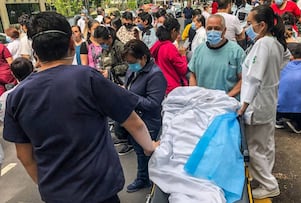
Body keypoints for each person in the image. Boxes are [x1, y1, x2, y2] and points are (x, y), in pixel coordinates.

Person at [3, 11, 156, 203]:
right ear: (70, 43)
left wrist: (49, 186)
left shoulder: (16, 96)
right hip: (100, 191)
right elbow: (134, 123)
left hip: (57, 195)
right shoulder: (89, 78)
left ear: (35, 51)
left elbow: (24, 156)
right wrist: (150, 147)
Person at [237, 5, 290, 199]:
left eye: (250, 23)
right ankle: (264, 178)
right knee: (266, 145)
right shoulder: (275, 43)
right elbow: (287, 58)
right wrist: (272, 75)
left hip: (257, 103)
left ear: (261, 25)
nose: (247, 27)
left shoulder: (263, 45)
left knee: (254, 147)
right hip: (268, 101)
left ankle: (268, 184)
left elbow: (254, 79)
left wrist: (243, 106)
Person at [122, 39, 167, 193]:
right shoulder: (134, 69)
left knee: (145, 152)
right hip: (135, 117)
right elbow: (130, 87)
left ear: (143, 58)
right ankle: (146, 178)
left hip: (149, 121)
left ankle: (145, 179)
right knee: (140, 151)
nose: (130, 65)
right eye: (128, 62)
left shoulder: (155, 75)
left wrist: (129, 97)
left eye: (132, 62)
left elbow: (153, 103)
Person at [189, 14, 245, 100]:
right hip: (202, 102)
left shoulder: (236, 52)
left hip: (227, 104)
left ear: (224, 30)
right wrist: (195, 94)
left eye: (217, 28)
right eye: (209, 28)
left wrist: (227, 97)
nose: (213, 31)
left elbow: (243, 80)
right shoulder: (199, 50)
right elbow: (193, 75)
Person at [150, 16, 188, 95]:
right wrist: (183, 55)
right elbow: (183, 69)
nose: (178, 35)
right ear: (173, 31)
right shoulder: (170, 48)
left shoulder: (158, 44)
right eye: (178, 32)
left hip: (161, 85)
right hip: (173, 88)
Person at [0, 58, 33, 122]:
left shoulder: (6, 97)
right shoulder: (46, 85)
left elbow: (3, 117)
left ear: (12, 74)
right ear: (32, 69)